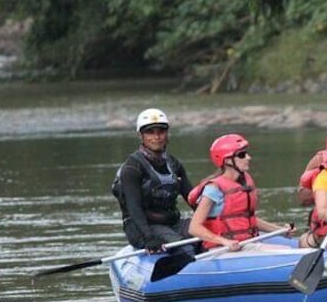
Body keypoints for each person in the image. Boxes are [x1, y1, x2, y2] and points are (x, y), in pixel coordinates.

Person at [188, 134, 294, 251]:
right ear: (227, 160)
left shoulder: (243, 182)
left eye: (246, 153)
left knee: (291, 247)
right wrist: (224, 241)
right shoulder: (214, 189)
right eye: (242, 155)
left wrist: (280, 231)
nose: (248, 157)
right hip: (224, 249)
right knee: (286, 251)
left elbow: (247, 219)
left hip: (247, 243)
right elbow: (194, 228)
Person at [112, 108, 195, 254]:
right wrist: (148, 237)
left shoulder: (173, 163)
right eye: (150, 132)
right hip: (141, 227)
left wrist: (214, 221)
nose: (156, 137)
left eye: (161, 131)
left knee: (213, 232)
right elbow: (134, 208)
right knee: (186, 249)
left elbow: (192, 198)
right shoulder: (132, 168)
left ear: (167, 134)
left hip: (172, 223)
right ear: (141, 136)